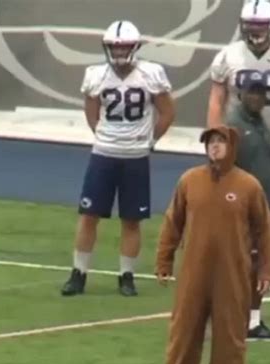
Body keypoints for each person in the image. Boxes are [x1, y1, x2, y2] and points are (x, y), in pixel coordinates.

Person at [149, 125, 270, 364]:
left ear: (232, 146)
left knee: (230, 337)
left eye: (220, 141)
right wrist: (164, 260)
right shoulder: (190, 181)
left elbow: (265, 233)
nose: (215, 147)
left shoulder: (248, 186)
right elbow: (173, 223)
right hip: (193, 272)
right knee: (183, 334)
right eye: (210, 142)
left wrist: (266, 271)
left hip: (232, 275)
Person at [60, 20, 175, 297]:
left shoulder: (151, 73)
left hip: (135, 156)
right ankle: (79, 273)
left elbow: (167, 112)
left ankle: (126, 276)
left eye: (124, 47)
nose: (119, 53)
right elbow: (92, 114)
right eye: (114, 47)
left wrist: (150, 140)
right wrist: (105, 137)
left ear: (135, 47)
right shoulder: (96, 74)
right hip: (104, 153)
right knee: (89, 215)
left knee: (131, 219)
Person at [207, 0, 270, 289]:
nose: (255, 30)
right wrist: (215, 137)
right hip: (237, 138)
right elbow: (216, 99)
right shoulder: (228, 55)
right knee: (232, 201)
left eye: (261, 25)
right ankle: (232, 258)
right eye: (251, 25)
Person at [226, 71, 270, 341]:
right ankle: (232, 321)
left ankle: (250, 322)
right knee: (240, 266)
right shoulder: (233, 126)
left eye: (260, 93)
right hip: (241, 208)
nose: (256, 97)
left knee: (256, 264)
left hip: (260, 205)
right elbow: (222, 169)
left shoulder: (260, 123)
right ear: (241, 94)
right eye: (251, 92)